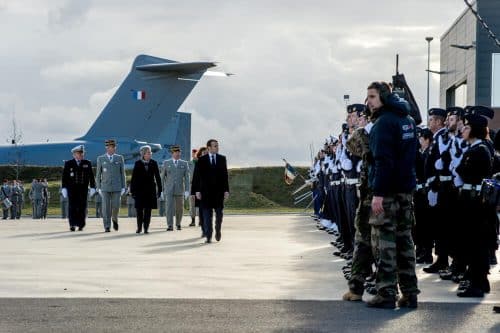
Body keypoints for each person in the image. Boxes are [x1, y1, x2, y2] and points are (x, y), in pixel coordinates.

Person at [365, 81, 419, 309]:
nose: (369, 102)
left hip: (387, 192)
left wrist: (378, 194)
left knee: (384, 242)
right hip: (406, 191)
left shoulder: (383, 123)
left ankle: (387, 292)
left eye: (373, 97)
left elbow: (383, 162)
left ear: (384, 98)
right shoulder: (407, 120)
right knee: (405, 241)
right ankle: (409, 293)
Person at [455, 108, 494, 297]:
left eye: (467, 127)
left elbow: (464, 172)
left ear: (476, 129)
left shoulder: (479, 150)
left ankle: (478, 283)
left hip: (476, 203)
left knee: (476, 243)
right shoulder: (475, 149)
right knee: (474, 242)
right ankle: (480, 280)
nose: (462, 130)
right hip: (471, 201)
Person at [191, 139, 230, 243]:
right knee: (207, 216)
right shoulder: (202, 160)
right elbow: (198, 177)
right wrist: (197, 191)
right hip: (206, 193)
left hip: (218, 192)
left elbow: (225, 176)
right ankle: (208, 235)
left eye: (217, 146)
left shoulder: (222, 159)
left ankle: (218, 230)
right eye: (215, 146)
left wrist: (226, 190)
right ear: (209, 148)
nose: (217, 147)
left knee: (219, 215)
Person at [61, 145, 96, 231]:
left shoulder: (87, 163)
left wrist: (92, 187)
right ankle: (72, 224)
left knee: (82, 207)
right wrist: (64, 188)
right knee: (72, 207)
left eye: (82, 153)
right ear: (74, 154)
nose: (81, 155)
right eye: (79, 153)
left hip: (83, 189)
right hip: (72, 189)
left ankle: (81, 224)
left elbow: (91, 176)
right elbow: (64, 177)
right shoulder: (68, 163)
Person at [95, 139, 126, 232]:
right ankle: (107, 226)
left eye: (112, 147)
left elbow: (122, 173)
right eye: (108, 147)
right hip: (105, 187)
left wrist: (124, 186)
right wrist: (98, 187)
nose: (110, 149)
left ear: (115, 148)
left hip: (117, 187)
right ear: (106, 148)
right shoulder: (101, 158)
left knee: (116, 206)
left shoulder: (119, 158)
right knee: (105, 207)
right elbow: (98, 174)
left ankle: (115, 218)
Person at [130, 145, 162, 234]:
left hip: (150, 191)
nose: (150, 154)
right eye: (148, 153)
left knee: (148, 211)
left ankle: (146, 228)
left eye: (150, 153)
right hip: (139, 191)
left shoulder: (154, 163)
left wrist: (160, 190)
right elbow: (134, 178)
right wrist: (132, 191)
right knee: (139, 210)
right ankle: (139, 227)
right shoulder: (137, 163)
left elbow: (158, 177)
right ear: (143, 154)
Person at [161, 145, 190, 231]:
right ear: (172, 153)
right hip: (169, 189)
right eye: (176, 152)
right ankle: (170, 225)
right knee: (169, 208)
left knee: (179, 208)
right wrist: (161, 191)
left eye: (179, 152)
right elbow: (162, 178)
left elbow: (187, 178)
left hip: (180, 189)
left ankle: (178, 223)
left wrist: (187, 191)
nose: (178, 154)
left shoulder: (184, 163)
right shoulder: (166, 163)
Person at [188, 149, 198, 227]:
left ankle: (201, 220)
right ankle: (193, 220)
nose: (194, 155)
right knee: (192, 204)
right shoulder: (189, 164)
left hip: (200, 185)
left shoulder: (201, 163)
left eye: (195, 153)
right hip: (191, 185)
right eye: (193, 153)